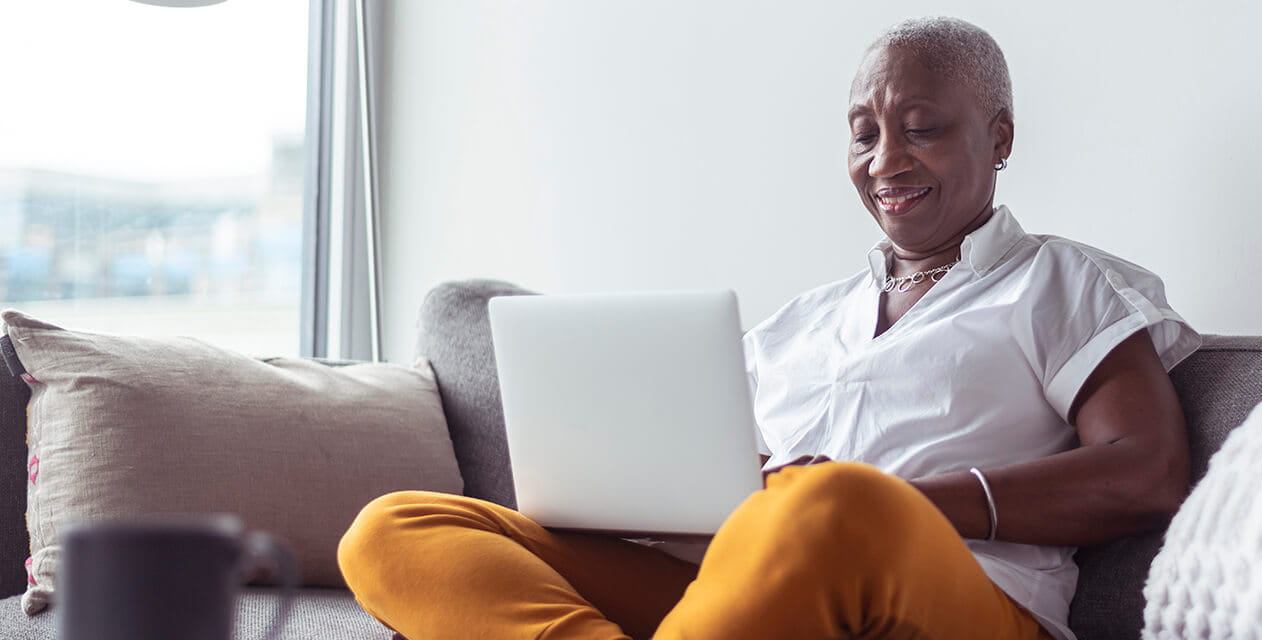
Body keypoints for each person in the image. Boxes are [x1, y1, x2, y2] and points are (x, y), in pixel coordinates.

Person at [337, 16, 1202, 640]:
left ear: (1000, 134)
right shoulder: (801, 323)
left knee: (832, 500)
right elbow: (722, 491)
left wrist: (896, 501)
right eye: (863, 135)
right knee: (396, 528)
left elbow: (1148, 472)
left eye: (922, 129)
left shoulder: (1059, 281)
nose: (886, 160)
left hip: (955, 600)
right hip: (740, 589)